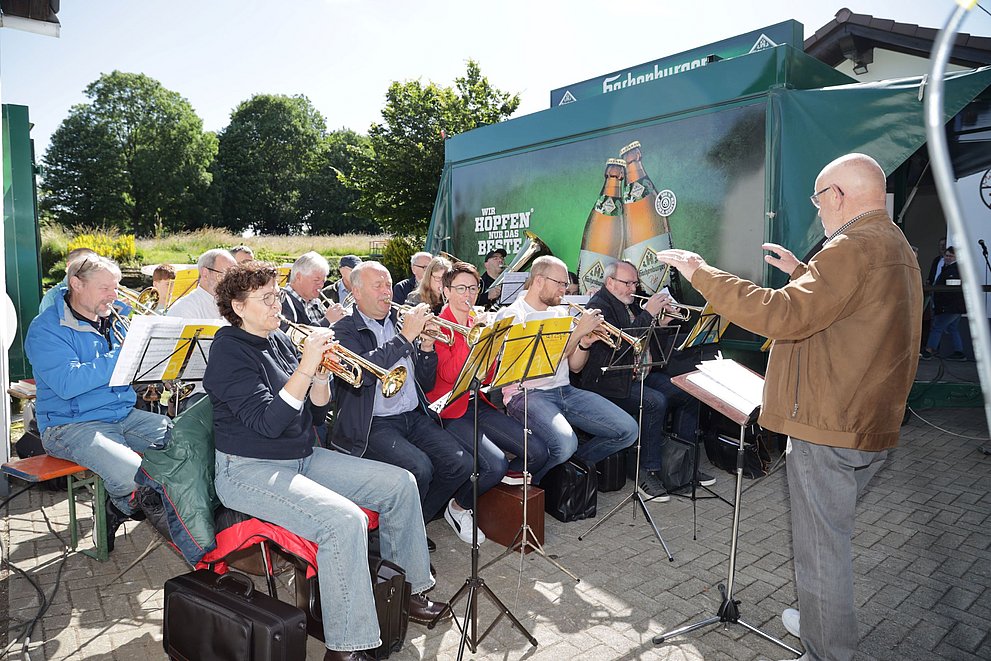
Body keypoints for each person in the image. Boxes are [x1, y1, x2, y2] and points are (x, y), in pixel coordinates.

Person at [655, 153, 922, 661]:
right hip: (869, 421)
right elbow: (855, 312)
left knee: (823, 549)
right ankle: (819, 619)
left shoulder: (850, 246)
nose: (818, 209)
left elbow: (781, 315)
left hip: (830, 425)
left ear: (838, 196)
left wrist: (702, 273)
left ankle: (827, 649)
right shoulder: (896, 245)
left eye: (819, 198)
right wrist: (802, 270)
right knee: (831, 532)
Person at [204, 261, 446, 661]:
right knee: (343, 522)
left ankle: (409, 593)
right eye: (266, 298)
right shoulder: (229, 350)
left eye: (277, 294)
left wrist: (320, 375)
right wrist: (306, 365)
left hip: (300, 455)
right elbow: (267, 423)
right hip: (248, 468)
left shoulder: (278, 338)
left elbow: (316, 413)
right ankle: (346, 648)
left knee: (400, 484)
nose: (276, 304)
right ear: (238, 306)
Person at [25, 255, 171, 552]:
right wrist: (124, 355)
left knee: (189, 443)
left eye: (116, 287)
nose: (114, 295)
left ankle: (120, 506)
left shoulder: (116, 318)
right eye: (105, 288)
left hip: (122, 414)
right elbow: (68, 383)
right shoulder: (46, 328)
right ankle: (120, 504)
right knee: (134, 480)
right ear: (76, 284)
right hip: (70, 424)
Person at [330, 261, 473, 540]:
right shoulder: (344, 329)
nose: (387, 292)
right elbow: (363, 372)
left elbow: (425, 382)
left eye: (388, 284)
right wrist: (406, 337)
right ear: (356, 293)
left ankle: (412, 526)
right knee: (420, 468)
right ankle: (396, 538)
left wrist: (428, 347)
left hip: (412, 415)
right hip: (371, 423)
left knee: (462, 464)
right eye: (378, 286)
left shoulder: (398, 322)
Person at [424, 261, 548, 543]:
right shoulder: (438, 325)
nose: (467, 294)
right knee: (494, 464)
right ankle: (459, 506)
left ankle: (491, 494)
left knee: (537, 451)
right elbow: (449, 375)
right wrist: (475, 340)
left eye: (473, 288)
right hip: (450, 410)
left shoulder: (474, 323)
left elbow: (490, 376)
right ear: (445, 291)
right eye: (460, 288)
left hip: (476, 402)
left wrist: (494, 344)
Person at [495, 255, 639, 483]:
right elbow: (537, 367)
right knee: (565, 443)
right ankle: (528, 484)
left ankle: (568, 470)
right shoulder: (513, 315)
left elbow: (575, 366)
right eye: (560, 283)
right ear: (539, 280)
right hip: (525, 394)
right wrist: (579, 333)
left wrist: (585, 343)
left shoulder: (561, 312)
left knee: (628, 430)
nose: (565, 290)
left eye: (565, 284)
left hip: (565, 390)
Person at [577, 259, 711, 498]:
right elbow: (623, 347)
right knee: (654, 402)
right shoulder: (599, 307)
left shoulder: (631, 305)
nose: (633, 288)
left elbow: (649, 348)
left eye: (635, 283)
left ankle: (681, 465)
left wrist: (662, 324)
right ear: (610, 282)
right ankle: (647, 473)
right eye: (627, 283)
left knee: (689, 392)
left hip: (637, 375)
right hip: (609, 382)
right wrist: (648, 313)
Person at [922, 246, 967, 361]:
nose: (947, 258)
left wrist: (941, 306)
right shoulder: (950, 268)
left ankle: (929, 350)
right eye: (946, 255)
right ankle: (959, 352)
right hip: (955, 307)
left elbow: (951, 291)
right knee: (953, 328)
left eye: (950, 256)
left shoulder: (954, 270)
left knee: (937, 327)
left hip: (951, 307)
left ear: (956, 257)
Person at [281, 251, 347, 329]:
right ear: (299, 277)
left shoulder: (316, 302)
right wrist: (327, 321)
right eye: (316, 280)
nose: (321, 285)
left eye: (323, 281)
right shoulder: (282, 301)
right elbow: (292, 337)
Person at [166, 249, 237, 319]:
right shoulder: (184, 309)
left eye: (234, 276)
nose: (231, 281)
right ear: (205, 273)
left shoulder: (235, 305)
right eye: (225, 275)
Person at [38, 247, 98, 314]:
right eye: (84, 264)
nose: (89, 269)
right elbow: (49, 323)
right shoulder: (53, 296)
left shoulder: (100, 292)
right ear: (69, 265)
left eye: (94, 266)